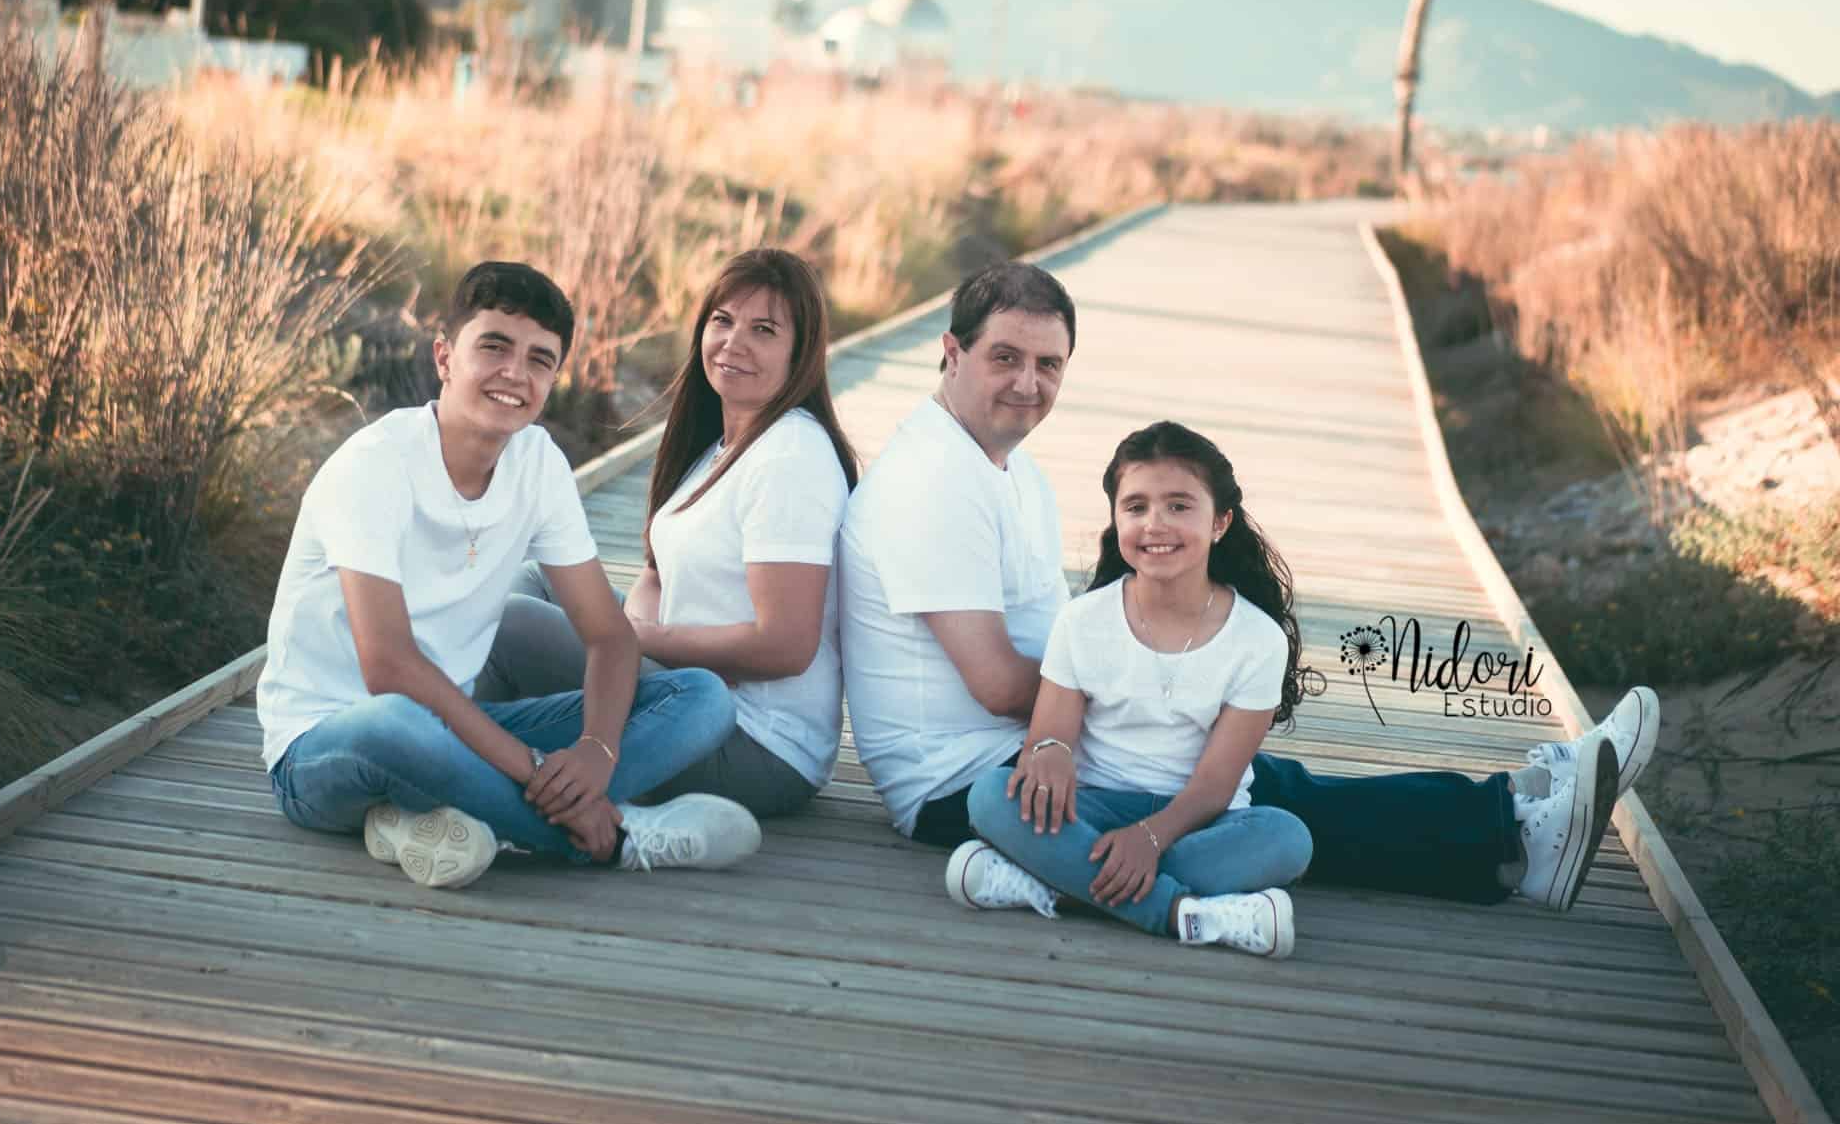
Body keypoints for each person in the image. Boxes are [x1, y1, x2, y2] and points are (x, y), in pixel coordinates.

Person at [838, 259, 1657, 913]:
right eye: (1004, 358)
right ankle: (1511, 837)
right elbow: (994, 682)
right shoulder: (932, 483)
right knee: (1258, 791)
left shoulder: (1008, 470)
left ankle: (1509, 819)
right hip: (969, 780)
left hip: (1034, 741)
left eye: (1048, 364)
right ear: (950, 352)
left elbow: (1068, 641)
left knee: (1249, 782)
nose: (1027, 383)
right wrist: (1140, 693)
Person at [256, 261, 762, 890]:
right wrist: (531, 770)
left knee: (702, 698)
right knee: (397, 723)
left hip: (458, 729)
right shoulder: (375, 465)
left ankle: (424, 817)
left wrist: (595, 755)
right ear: (445, 358)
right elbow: (387, 665)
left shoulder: (538, 463)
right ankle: (619, 838)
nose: (515, 374)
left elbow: (609, 636)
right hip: (325, 746)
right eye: (493, 347)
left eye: (540, 360)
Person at [482, 250, 859, 818]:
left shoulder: (792, 456)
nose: (734, 343)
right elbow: (657, 576)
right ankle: (481, 743)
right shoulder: (722, 445)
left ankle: (455, 755)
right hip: (682, 682)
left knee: (511, 622)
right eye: (722, 321)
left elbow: (786, 645)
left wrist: (633, 641)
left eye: (764, 330)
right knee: (537, 579)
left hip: (752, 742)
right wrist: (630, 630)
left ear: (800, 353)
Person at [955, 422, 1315, 955]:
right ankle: (1185, 915)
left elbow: (1215, 787)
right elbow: (1049, 736)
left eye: (1178, 506)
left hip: (1199, 820)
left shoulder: (1257, 638)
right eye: (1136, 507)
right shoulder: (1082, 621)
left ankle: (1054, 885)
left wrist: (1150, 839)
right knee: (990, 797)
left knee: (1287, 839)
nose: (1155, 524)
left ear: (1220, 522)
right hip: (1093, 808)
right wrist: (1049, 753)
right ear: (1116, 518)